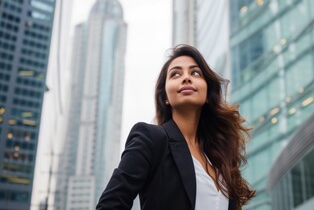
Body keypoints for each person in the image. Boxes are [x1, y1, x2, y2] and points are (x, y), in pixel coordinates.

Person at [96, 44, 255, 210]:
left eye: (195, 73)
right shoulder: (151, 139)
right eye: (175, 74)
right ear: (165, 97)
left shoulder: (222, 160)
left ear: (207, 94)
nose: (186, 78)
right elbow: (110, 205)